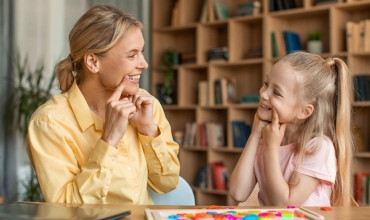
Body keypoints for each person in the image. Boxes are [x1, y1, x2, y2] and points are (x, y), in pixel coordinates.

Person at [26, 5, 180, 204]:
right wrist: (109, 140)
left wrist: (148, 130)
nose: (144, 64)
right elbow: (64, 210)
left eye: (141, 52)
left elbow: (167, 183)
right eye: (132, 55)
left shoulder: (146, 106)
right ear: (92, 62)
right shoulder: (49, 123)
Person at [230, 51, 354, 206]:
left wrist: (270, 149)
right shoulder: (268, 139)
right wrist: (255, 135)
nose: (263, 94)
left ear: (304, 111)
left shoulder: (318, 148)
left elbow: (285, 206)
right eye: (266, 84)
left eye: (276, 92)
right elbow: (237, 192)